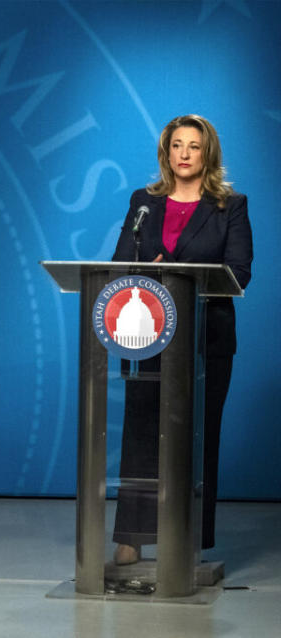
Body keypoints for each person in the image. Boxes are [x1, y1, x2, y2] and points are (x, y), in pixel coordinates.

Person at [110, 114, 252, 565]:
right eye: (177, 145)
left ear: (207, 153)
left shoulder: (230, 205)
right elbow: (119, 263)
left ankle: (188, 539)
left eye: (194, 146)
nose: (185, 154)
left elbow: (240, 272)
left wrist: (181, 276)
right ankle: (131, 537)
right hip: (147, 335)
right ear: (165, 152)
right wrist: (143, 270)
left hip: (206, 340)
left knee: (197, 436)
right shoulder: (143, 202)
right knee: (140, 434)